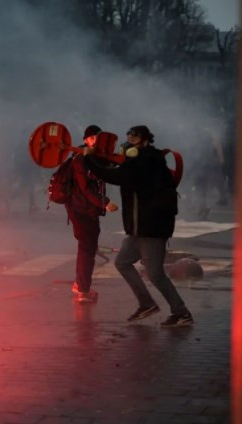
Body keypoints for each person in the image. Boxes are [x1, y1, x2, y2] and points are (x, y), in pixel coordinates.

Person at [84, 125, 193, 327]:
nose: (130, 140)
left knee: (155, 274)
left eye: (135, 138)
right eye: (129, 137)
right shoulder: (138, 160)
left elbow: (115, 176)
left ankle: (181, 312)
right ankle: (146, 304)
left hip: (152, 228)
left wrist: (89, 159)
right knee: (122, 262)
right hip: (137, 229)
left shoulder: (149, 160)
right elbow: (118, 170)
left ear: (145, 141)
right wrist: (98, 159)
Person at [66, 125, 119, 302]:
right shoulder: (80, 159)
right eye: (92, 138)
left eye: (99, 137)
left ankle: (81, 285)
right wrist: (105, 202)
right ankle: (83, 290)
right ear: (85, 140)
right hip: (81, 210)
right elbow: (86, 187)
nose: (96, 141)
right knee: (87, 248)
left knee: (87, 247)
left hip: (89, 210)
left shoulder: (96, 158)